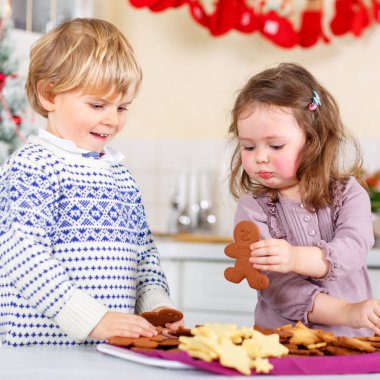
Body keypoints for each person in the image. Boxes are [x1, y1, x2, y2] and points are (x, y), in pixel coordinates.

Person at [0, 18, 182, 347]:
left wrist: (157, 307)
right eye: (97, 105)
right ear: (49, 94)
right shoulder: (33, 166)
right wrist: (95, 320)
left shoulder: (120, 176)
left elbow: (144, 258)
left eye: (122, 107)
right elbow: (22, 256)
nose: (112, 119)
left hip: (107, 354)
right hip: (39, 358)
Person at [228, 62, 380, 337]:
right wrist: (347, 311)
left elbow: (353, 249)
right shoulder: (253, 210)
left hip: (351, 340)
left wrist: (294, 257)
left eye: (275, 146)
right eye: (248, 146)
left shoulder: (348, 193)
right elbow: (278, 288)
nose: (260, 156)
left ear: (313, 141)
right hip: (281, 345)